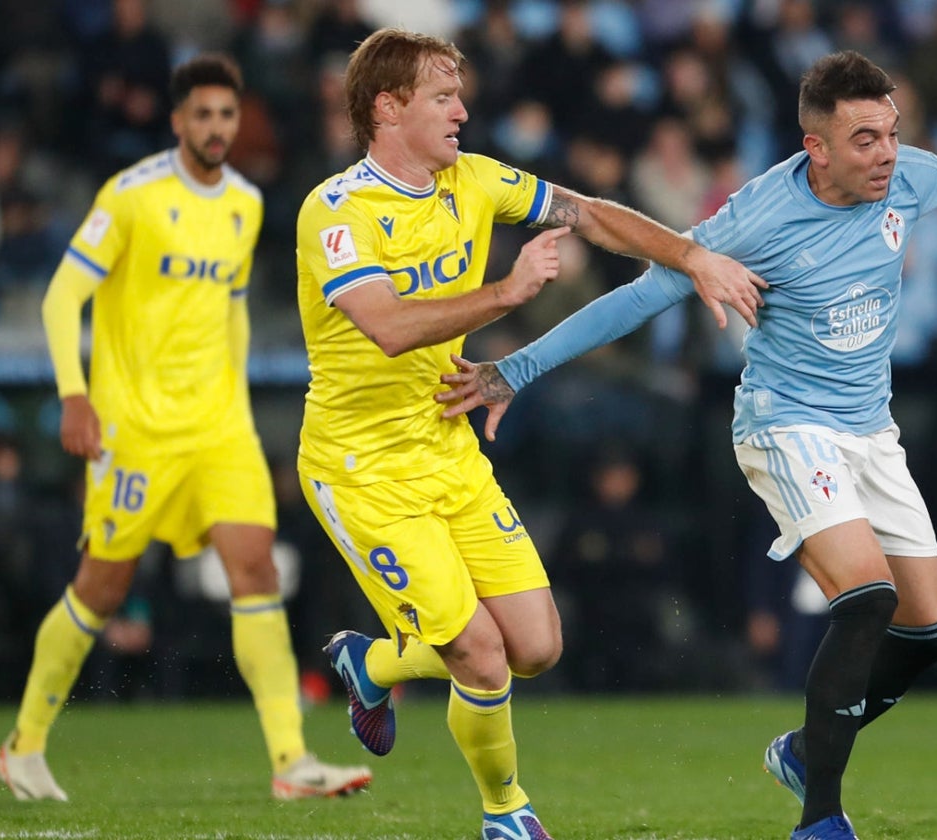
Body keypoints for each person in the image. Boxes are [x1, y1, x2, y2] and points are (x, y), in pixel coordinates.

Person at [435, 50, 937, 840]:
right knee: (867, 600)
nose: (885, 154)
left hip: (872, 431)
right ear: (818, 147)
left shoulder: (912, 176)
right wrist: (517, 368)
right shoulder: (757, 218)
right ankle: (821, 819)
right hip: (785, 424)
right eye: (865, 139)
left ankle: (808, 750)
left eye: (892, 133)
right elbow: (638, 297)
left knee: (929, 632)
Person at [294, 28, 764, 839]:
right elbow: (387, 326)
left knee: (537, 646)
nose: (464, 111)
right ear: (388, 107)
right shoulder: (335, 210)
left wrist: (689, 258)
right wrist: (509, 294)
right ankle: (506, 812)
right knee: (478, 651)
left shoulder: (474, 180)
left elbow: (589, 214)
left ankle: (368, 662)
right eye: (444, 97)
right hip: (361, 467)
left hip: (448, 449)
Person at [0, 53, 371, 803]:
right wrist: (75, 396)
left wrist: (233, 401)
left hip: (216, 429)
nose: (215, 128)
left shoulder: (246, 202)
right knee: (100, 590)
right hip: (134, 431)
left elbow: (230, 306)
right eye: (201, 114)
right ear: (177, 122)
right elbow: (62, 296)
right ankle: (24, 746)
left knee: (256, 569)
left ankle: (291, 761)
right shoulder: (131, 196)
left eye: (226, 115)